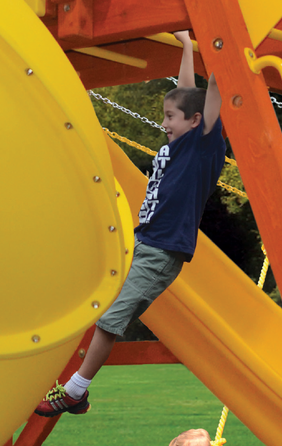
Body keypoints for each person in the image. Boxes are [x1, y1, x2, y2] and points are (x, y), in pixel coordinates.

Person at [37, 32, 226, 417]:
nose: (163, 123)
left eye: (169, 117)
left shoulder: (202, 146)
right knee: (95, 299)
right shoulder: (179, 143)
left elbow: (210, 96)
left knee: (111, 320)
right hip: (142, 242)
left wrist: (221, 41)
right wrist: (189, 46)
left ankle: (76, 390)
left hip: (161, 252)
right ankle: (70, 382)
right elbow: (186, 91)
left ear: (194, 121)